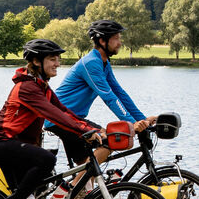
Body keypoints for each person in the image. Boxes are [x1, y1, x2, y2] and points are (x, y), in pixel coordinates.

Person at [0, 37, 104, 199]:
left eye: (58, 59)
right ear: (37, 61)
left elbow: (64, 111)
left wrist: (91, 128)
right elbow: (54, 115)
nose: (58, 64)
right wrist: (84, 131)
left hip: (11, 144)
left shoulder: (41, 86)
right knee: (46, 160)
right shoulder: (28, 88)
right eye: (53, 59)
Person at [46, 18, 156, 169]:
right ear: (102, 40)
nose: (120, 43)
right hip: (61, 118)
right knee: (110, 140)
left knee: (85, 165)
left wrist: (141, 119)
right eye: (116, 38)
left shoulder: (103, 63)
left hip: (74, 119)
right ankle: (75, 187)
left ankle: (76, 191)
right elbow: (109, 97)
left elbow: (120, 93)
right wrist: (132, 123)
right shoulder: (91, 63)